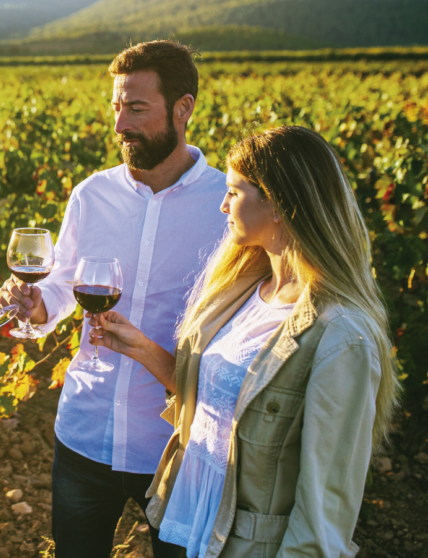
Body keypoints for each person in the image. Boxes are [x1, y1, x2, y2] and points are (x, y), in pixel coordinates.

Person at [89, 126, 399, 557]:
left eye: (234, 192)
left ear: (276, 203)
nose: (223, 204)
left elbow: (325, 507)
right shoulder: (244, 288)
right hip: (191, 522)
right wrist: (139, 347)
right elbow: (222, 400)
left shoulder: (342, 335)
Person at [0, 40, 228, 558]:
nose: (121, 124)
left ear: (183, 108)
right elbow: (62, 284)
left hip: (177, 445)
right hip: (85, 431)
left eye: (137, 108)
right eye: (116, 108)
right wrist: (40, 307)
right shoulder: (90, 195)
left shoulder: (225, 205)